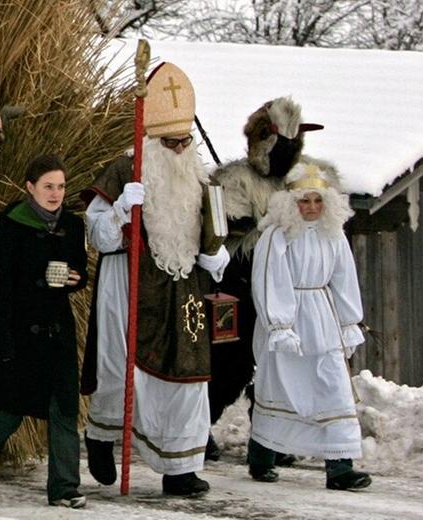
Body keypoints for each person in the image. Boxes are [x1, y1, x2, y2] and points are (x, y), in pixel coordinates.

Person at [79, 62, 230, 497]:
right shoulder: (125, 170)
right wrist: (120, 209)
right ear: (150, 139)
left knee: (189, 375)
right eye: (170, 142)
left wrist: (211, 255)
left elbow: (205, 228)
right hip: (131, 280)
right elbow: (99, 238)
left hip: (182, 288)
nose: (180, 149)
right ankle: (104, 436)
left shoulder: (196, 172)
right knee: (122, 368)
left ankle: (179, 469)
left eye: (186, 141)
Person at [0, 154, 88, 509]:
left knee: (64, 407)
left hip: (58, 329)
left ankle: (64, 487)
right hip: (20, 329)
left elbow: (79, 270)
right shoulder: (9, 227)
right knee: (10, 407)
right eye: (48, 186)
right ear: (30, 188)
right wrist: (1, 338)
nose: (56, 193)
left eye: (61, 186)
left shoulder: (73, 225)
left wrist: (77, 280)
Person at [207, 98, 328, 462]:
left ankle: (271, 437)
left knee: (279, 364)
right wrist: (246, 223)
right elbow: (217, 227)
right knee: (232, 362)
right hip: (240, 283)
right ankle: (199, 427)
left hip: (287, 285)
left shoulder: (303, 180)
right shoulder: (234, 180)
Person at [248, 161, 371, 491]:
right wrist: (280, 325)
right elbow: (269, 282)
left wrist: (348, 321)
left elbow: (344, 279)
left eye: (318, 200)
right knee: (279, 387)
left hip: (322, 317)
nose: (312, 207)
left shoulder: (333, 235)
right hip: (288, 319)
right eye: (305, 201)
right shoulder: (276, 236)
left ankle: (340, 467)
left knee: (334, 386)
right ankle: (261, 455)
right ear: (292, 203)